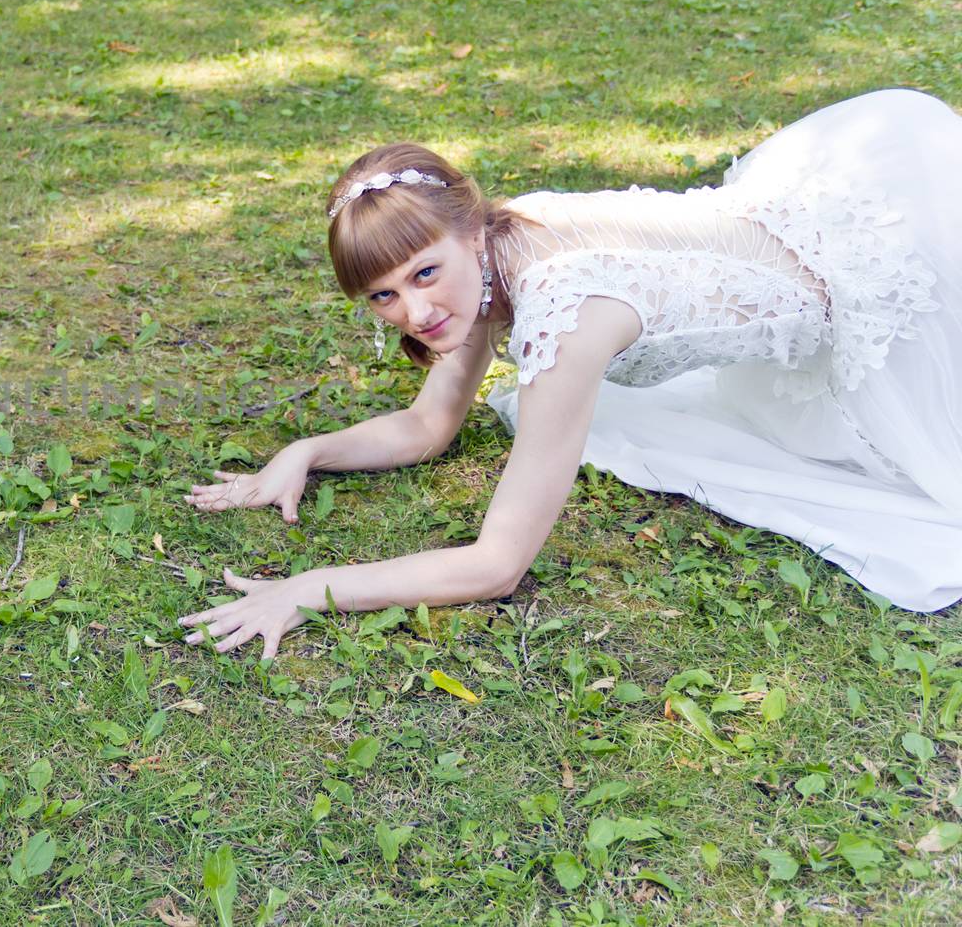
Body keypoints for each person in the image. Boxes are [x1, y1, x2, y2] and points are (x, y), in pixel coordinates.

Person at [179, 88, 962, 660]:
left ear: (468, 229)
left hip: (880, 280)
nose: (414, 315)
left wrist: (310, 586)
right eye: (383, 295)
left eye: (423, 274)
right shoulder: (490, 254)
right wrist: (308, 450)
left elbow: (496, 562)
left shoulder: (565, 310)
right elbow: (428, 424)